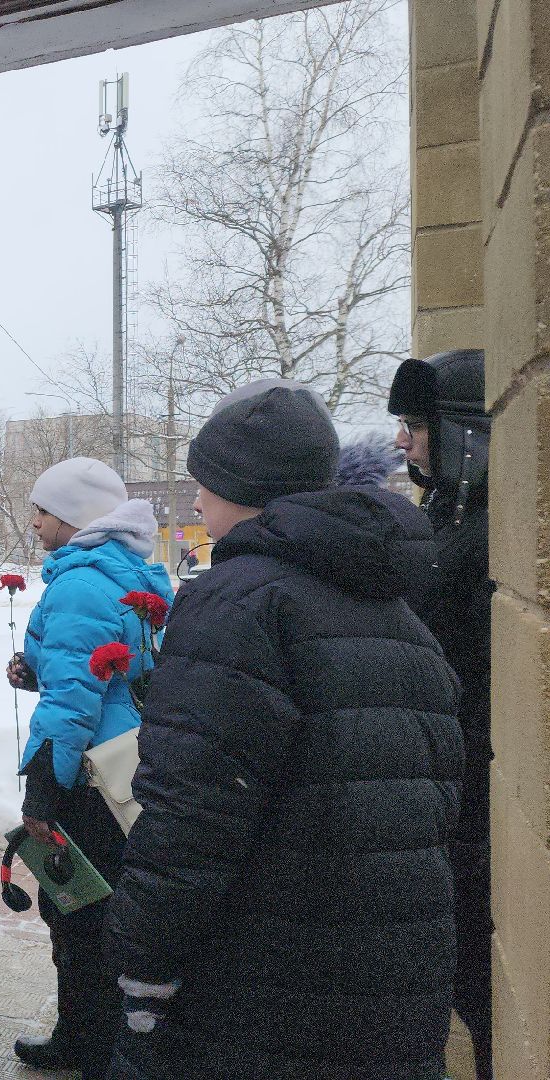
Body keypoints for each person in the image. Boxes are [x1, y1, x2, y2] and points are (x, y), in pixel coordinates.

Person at [105, 381, 462, 1080]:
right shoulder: (400, 616)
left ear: (246, 489)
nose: (198, 501)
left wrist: (142, 972)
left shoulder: (237, 603)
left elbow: (189, 821)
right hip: (393, 993)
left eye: (206, 483)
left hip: (264, 995)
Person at [5, 456, 171, 1079]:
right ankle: (85, 1036)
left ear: (73, 517)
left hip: (85, 776)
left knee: (76, 913)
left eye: (43, 511)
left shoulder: (77, 584)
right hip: (123, 769)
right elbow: (114, 673)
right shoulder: (130, 573)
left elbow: (74, 700)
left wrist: (46, 786)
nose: (36, 523)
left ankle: (90, 1045)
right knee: (101, 915)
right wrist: (39, 670)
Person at [390, 349, 493, 1080]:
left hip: (475, 800)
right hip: (443, 790)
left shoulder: (488, 533)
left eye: (416, 426)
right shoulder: (447, 516)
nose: (404, 441)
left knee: (481, 989)